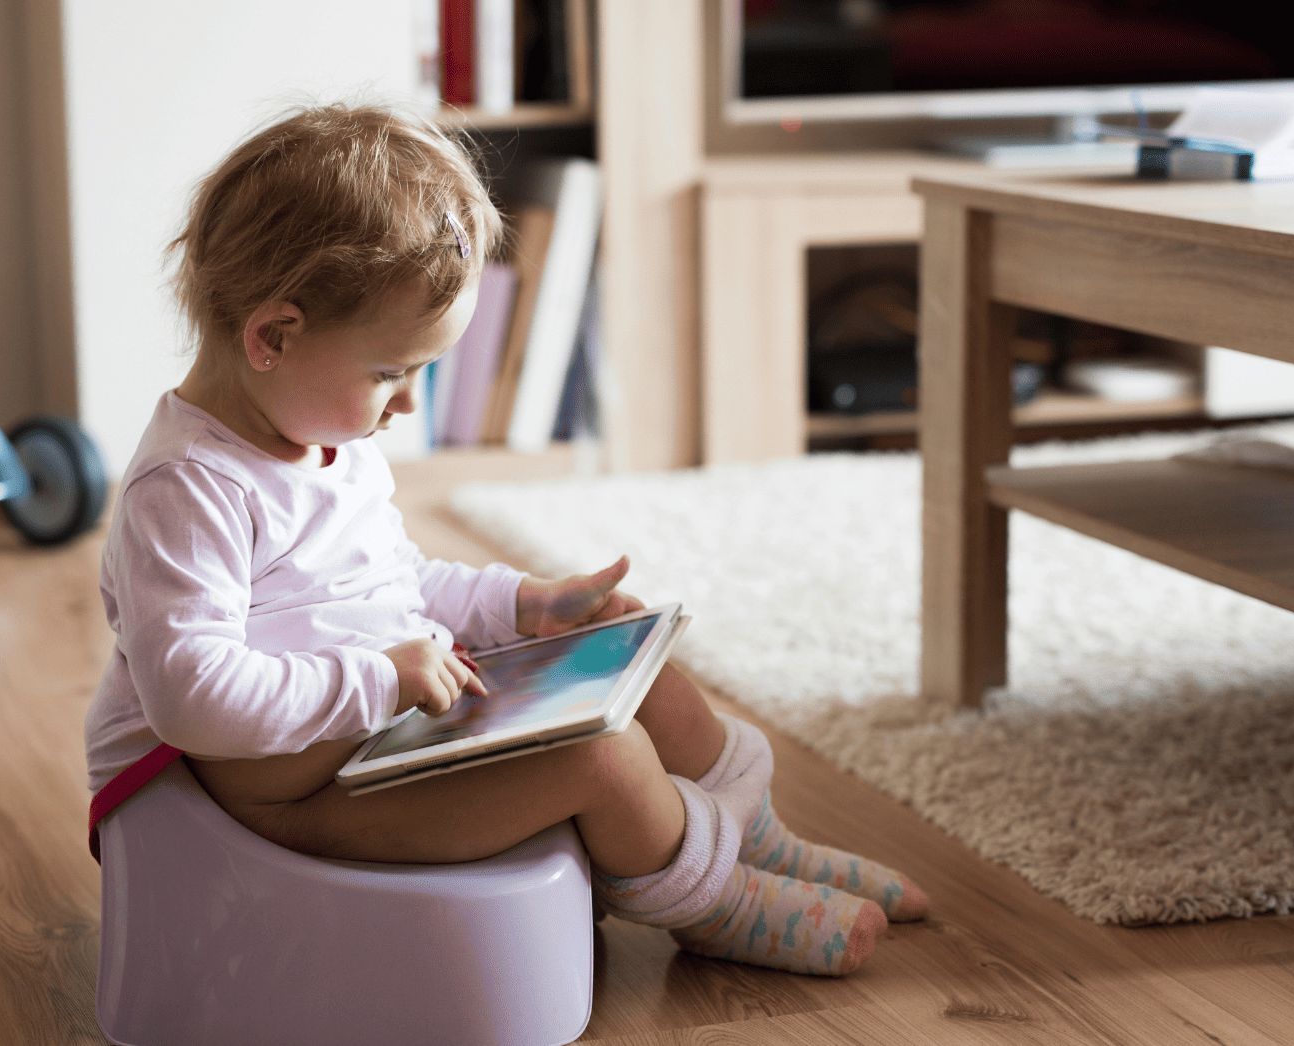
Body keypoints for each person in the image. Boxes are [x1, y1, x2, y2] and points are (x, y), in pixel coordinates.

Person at [83, 104, 927, 977]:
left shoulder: (321, 440)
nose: (408, 403)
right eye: (391, 372)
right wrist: (381, 679)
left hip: (389, 729)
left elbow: (390, 584)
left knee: (640, 675)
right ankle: (713, 904)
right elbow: (192, 698)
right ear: (274, 337)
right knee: (603, 759)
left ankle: (761, 843)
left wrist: (520, 607)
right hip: (299, 798)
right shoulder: (187, 489)